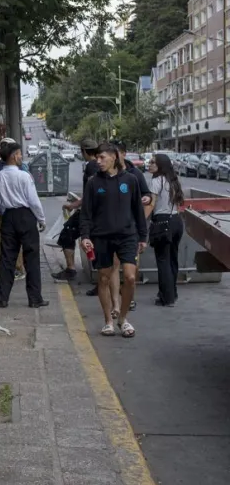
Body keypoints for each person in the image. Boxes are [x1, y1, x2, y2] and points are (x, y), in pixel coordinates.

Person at [79, 143, 147, 338]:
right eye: (97, 158)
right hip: (101, 237)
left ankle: (123, 319)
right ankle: (108, 321)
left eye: (102, 158)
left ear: (114, 158)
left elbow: (137, 211)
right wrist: (85, 237)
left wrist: (142, 236)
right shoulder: (93, 182)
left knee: (131, 278)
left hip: (127, 236)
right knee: (103, 278)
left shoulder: (131, 180)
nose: (98, 161)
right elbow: (86, 214)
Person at [0, 141, 48, 308]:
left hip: (8, 217)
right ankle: (35, 298)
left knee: (7, 258)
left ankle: (2, 298)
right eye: (19, 154)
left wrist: (2, 212)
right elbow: (33, 201)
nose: (21, 156)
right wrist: (41, 219)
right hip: (26, 216)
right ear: (14, 156)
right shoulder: (24, 176)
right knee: (31, 257)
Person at [102, 140, 151, 311]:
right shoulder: (102, 176)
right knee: (114, 267)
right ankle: (116, 303)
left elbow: (147, 195)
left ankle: (128, 298)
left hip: (132, 230)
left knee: (130, 272)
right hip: (112, 229)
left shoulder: (134, 175)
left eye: (115, 154)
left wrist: (147, 199)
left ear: (122, 154)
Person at [53, 138, 100, 281]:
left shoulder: (92, 166)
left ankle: (71, 269)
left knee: (67, 234)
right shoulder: (98, 165)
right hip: (98, 211)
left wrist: (74, 205)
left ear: (84, 151)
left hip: (89, 213)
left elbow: (91, 193)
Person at [146, 154, 184, 307]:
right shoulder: (172, 181)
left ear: (160, 165)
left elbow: (151, 205)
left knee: (163, 261)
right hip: (176, 222)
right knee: (172, 260)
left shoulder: (156, 181)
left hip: (162, 222)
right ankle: (172, 294)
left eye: (153, 162)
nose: (149, 164)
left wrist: (141, 221)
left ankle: (166, 298)